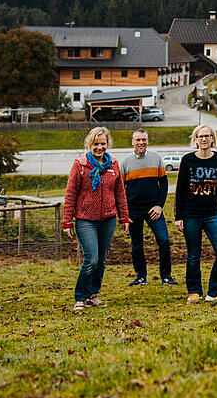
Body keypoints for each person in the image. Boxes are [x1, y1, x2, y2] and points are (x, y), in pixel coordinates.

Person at [62, 127, 130, 310]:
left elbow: (120, 192)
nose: (99, 147)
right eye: (96, 144)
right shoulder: (80, 165)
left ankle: (93, 294)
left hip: (108, 219)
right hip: (85, 219)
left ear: (108, 144)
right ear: (89, 144)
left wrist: (124, 217)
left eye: (103, 144)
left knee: (101, 260)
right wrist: (67, 221)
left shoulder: (113, 164)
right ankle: (80, 297)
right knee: (90, 259)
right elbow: (70, 193)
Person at [175, 124, 217, 304]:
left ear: (213, 138)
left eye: (207, 136)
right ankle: (194, 291)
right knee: (193, 254)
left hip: (212, 214)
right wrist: (178, 216)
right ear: (196, 139)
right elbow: (180, 189)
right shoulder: (187, 160)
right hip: (191, 214)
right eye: (201, 136)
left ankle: (214, 290)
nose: (204, 139)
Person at [120, 129, 175, 287]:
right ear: (133, 142)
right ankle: (141, 277)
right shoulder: (125, 162)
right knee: (136, 245)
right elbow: (119, 190)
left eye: (144, 140)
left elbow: (164, 184)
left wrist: (159, 205)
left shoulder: (156, 158)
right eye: (138, 140)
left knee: (164, 240)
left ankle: (166, 276)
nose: (141, 143)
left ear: (147, 142)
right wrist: (124, 212)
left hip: (153, 209)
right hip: (133, 210)